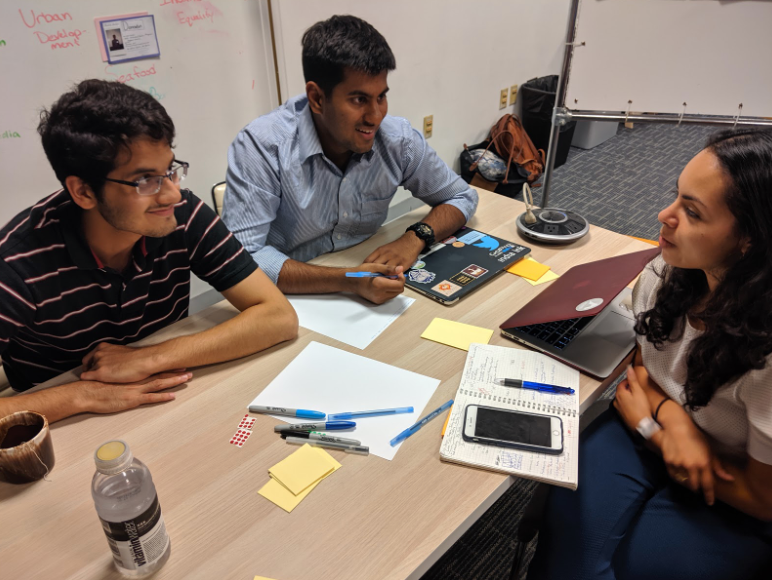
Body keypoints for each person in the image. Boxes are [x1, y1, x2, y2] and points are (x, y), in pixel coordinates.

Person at [526, 129, 772, 580]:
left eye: (691, 212)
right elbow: (646, 366)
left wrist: (655, 430)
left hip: (737, 487)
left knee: (640, 567)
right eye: (675, 196)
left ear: (748, 240)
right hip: (659, 431)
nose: (664, 215)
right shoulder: (669, 272)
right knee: (569, 536)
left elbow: (764, 496)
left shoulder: (766, 356)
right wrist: (672, 422)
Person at [0, 79, 298, 423]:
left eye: (171, 170)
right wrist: (82, 394)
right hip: (60, 424)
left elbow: (278, 317)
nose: (172, 194)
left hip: (165, 402)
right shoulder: (16, 265)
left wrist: (149, 357)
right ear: (83, 192)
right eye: (146, 181)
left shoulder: (180, 215)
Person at [222, 15, 478, 305]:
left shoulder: (397, 139)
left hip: (367, 283)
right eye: (359, 100)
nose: (375, 116)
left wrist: (414, 238)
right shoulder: (262, 147)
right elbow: (242, 258)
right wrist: (348, 280)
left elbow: (461, 196)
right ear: (317, 98)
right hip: (289, 295)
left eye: (381, 97)